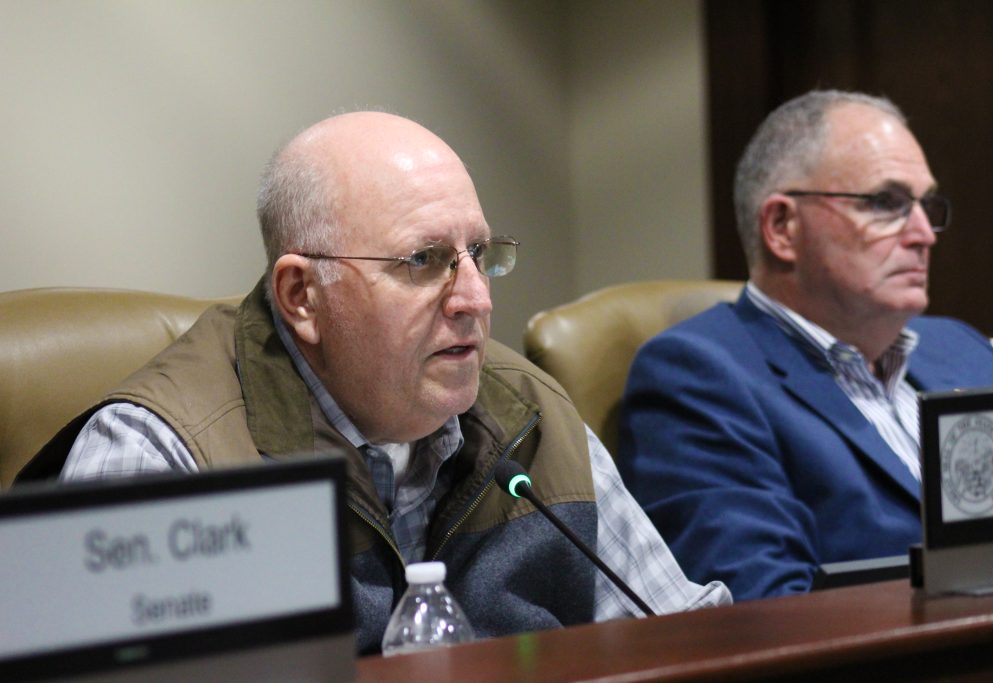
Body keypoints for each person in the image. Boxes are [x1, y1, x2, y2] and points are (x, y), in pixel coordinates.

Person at [19, 111, 730, 653]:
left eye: (479, 254)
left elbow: (689, 639)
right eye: (424, 260)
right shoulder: (162, 452)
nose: (476, 299)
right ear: (301, 296)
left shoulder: (529, 410)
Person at [617, 90, 993, 601]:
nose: (924, 235)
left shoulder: (966, 351)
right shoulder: (696, 377)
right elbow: (768, 610)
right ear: (782, 227)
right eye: (887, 203)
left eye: (926, 205)